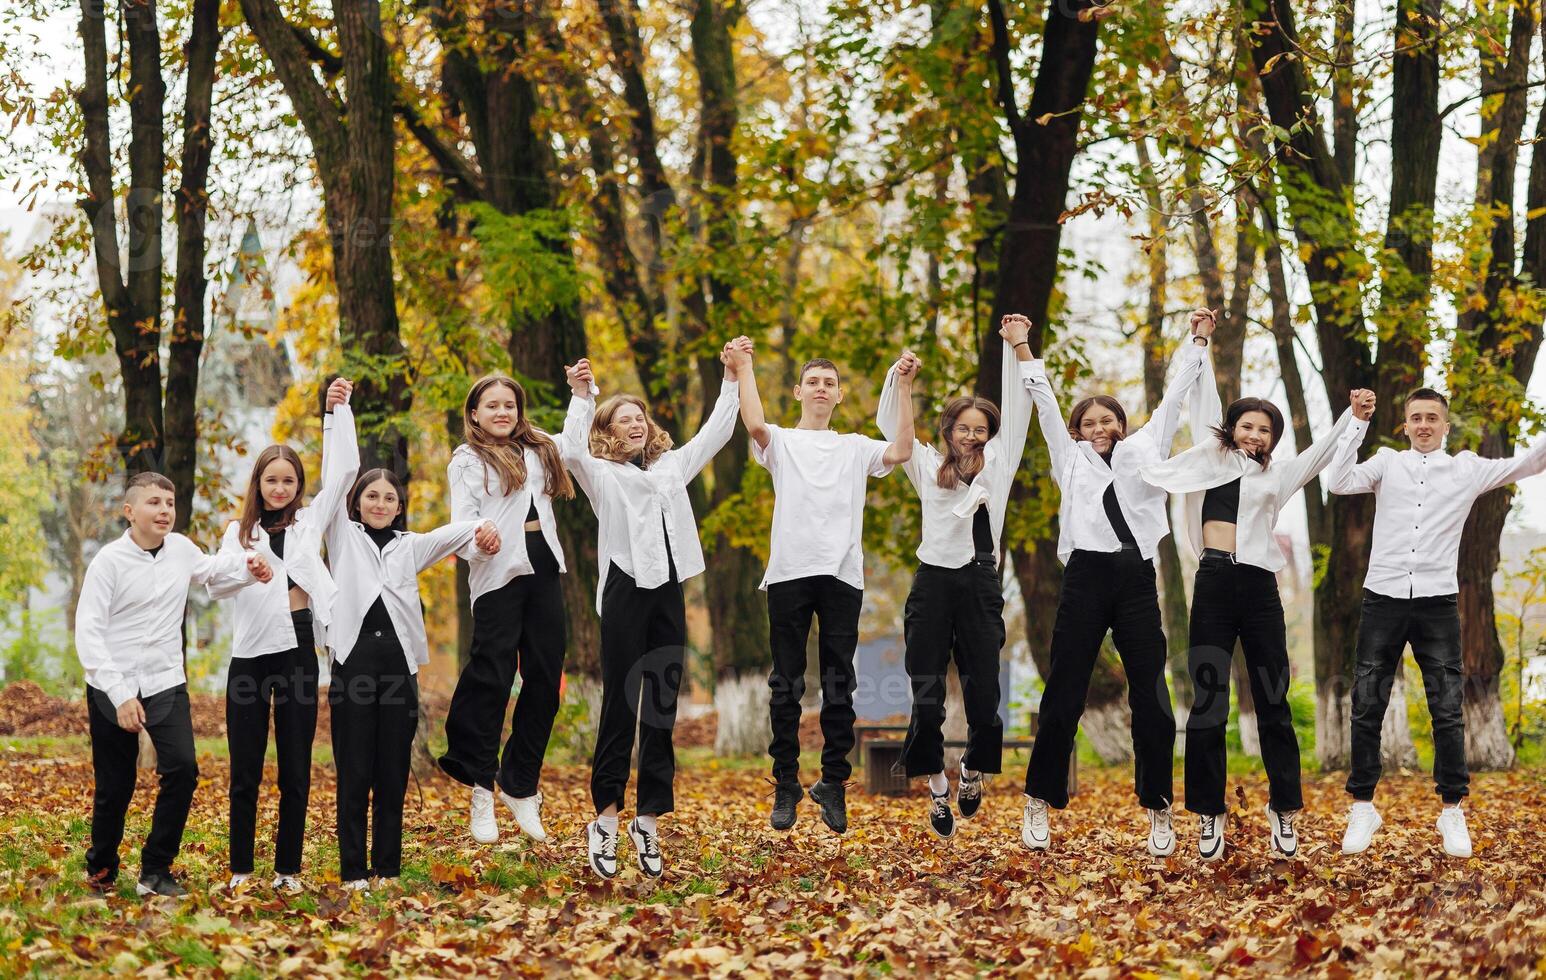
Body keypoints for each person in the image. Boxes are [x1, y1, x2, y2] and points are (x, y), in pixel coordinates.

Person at [1019, 310, 1217, 856]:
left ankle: (1158, 807)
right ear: (1079, 432)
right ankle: (1039, 798)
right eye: (1089, 423)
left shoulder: (1143, 450)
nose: (1099, 429)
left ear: (1122, 426)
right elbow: (1044, 404)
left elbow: (1176, 394)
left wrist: (1197, 340)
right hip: (1084, 576)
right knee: (1064, 689)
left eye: (1108, 421)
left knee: (1152, 693)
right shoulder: (1070, 459)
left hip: (1134, 578)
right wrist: (1023, 346)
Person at [1143, 386, 1370, 861]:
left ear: (1273, 438)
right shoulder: (1206, 464)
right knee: (1208, 703)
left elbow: (1320, 453)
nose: (1254, 434)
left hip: (1261, 590)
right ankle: (1210, 812)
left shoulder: (1279, 476)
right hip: (1213, 585)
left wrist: (1352, 416)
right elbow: (1157, 465)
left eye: (1264, 429)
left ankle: (1283, 808)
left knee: (1273, 699)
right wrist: (1199, 345)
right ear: (1231, 428)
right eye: (1246, 425)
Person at [1329, 386, 1546, 858]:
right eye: (1416, 418)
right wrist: (1356, 422)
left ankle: (1452, 810)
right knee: (1367, 704)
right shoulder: (1387, 462)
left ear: (1445, 426)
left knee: (1447, 710)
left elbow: (1530, 463)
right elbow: (1338, 481)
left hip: (1436, 603)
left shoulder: (1466, 468)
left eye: (1433, 417)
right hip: (1382, 598)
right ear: (1405, 425)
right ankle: (1362, 805)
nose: (1424, 424)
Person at [557, 349, 740, 880]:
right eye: (624, 420)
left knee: (661, 708)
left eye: (640, 418)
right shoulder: (601, 473)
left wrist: (730, 379)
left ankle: (649, 823)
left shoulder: (671, 465)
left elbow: (715, 433)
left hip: (668, 593)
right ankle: (607, 822)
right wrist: (580, 395)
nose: (635, 425)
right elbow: (569, 451)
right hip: (624, 590)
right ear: (610, 432)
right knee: (620, 703)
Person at [727, 336, 913, 834]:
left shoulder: (854, 448)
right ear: (797, 391)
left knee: (839, 685)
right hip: (789, 573)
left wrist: (904, 387)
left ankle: (833, 782)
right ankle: (785, 782)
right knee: (785, 683)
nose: (821, 388)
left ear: (839, 396)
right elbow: (754, 424)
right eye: (813, 382)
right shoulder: (782, 442)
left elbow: (901, 449)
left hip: (841, 577)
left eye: (829, 383)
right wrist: (744, 367)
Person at [77, 472, 273, 898]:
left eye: (169, 502)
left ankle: (155, 871)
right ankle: (101, 870)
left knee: (183, 769)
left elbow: (212, 569)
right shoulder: (108, 563)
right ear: (130, 512)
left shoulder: (181, 549)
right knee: (115, 786)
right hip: (113, 681)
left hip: (165, 678)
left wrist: (248, 566)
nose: (165, 510)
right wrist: (120, 694)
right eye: (153, 503)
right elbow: (88, 635)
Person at [873, 315, 1032, 839]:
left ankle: (971, 770)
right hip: (932, 586)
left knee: (984, 694)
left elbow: (1023, 404)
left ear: (990, 435)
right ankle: (937, 788)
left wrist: (1016, 348)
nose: (971, 435)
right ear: (948, 431)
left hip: (981, 586)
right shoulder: (924, 464)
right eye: (963, 428)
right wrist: (901, 382)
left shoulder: (999, 467)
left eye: (980, 429)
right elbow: (888, 429)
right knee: (925, 693)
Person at [324, 424, 500, 891]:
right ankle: (353, 872)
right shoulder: (342, 537)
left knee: (392, 772)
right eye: (371, 496)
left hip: (398, 672)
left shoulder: (410, 547)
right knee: (354, 770)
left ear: (399, 506)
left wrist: (484, 527)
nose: (379, 504)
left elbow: (452, 534)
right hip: (353, 670)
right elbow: (337, 473)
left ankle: (387, 869)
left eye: (389, 498)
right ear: (357, 502)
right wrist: (335, 416)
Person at [209, 377, 356, 893]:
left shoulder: (309, 524)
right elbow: (217, 584)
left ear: (297, 487)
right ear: (258, 484)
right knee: (244, 770)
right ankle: (242, 870)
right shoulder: (237, 533)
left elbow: (343, 474)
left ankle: (287, 871)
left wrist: (335, 414)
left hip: (297, 650)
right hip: (248, 656)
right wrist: (249, 567)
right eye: (271, 481)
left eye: (288, 481)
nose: (279, 489)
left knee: (295, 768)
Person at [438, 373, 579, 846]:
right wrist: (479, 536)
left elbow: (576, 442)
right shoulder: (467, 460)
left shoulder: (540, 449)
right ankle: (481, 788)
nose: (502, 412)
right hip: (498, 570)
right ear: (474, 413)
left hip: (543, 564)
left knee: (546, 675)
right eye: (492, 406)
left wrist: (581, 394)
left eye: (509, 405)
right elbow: (461, 525)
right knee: (493, 678)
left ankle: (520, 782)